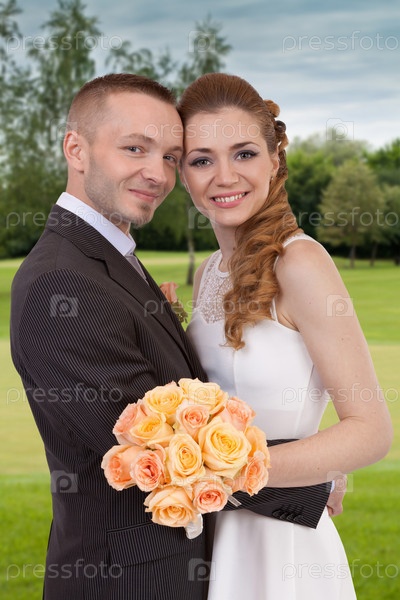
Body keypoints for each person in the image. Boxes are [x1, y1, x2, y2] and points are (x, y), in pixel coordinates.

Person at [10, 73, 334, 600]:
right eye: (134, 148)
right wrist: (312, 480)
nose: (156, 173)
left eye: (169, 156)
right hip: (128, 580)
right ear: (76, 149)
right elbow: (156, 450)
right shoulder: (62, 280)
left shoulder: (109, 257)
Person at [178, 72, 393, 599]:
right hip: (214, 536)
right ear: (182, 173)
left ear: (275, 159)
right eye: (202, 160)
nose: (224, 176)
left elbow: (370, 429)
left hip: (283, 546)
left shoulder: (299, 263)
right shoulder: (208, 273)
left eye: (245, 154)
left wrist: (225, 470)